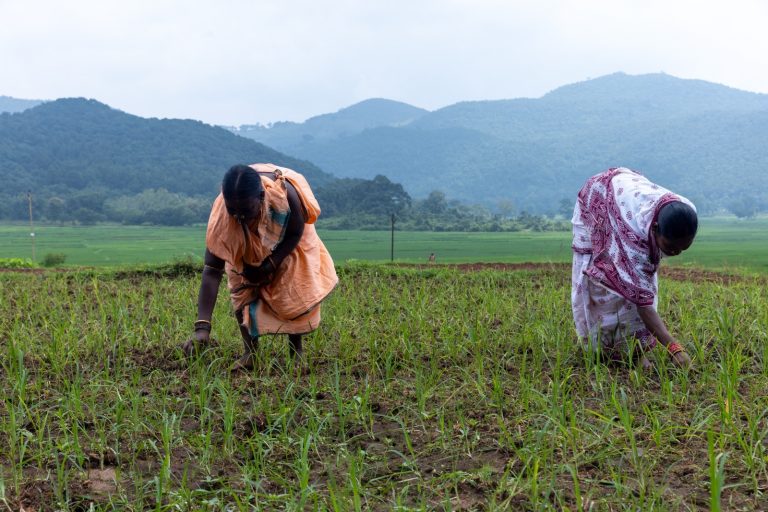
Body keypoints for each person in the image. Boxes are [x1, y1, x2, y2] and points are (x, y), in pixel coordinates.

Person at [183, 163, 338, 371]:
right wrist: (202, 328)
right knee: (239, 281)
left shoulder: (285, 196)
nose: (240, 218)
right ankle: (250, 353)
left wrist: (269, 265)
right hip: (249, 239)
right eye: (233, 211)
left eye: (247, 211)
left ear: (261, 196)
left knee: (291, 285)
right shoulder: (223, 219)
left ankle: (296, 352)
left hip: (288, 237)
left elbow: (295, 232)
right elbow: (212, 270)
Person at [571, 167, 697, 368]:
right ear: (655, 229)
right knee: (604, 287)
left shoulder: (684, 212)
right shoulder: (635, 244)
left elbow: (641, 288)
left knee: (634, 286)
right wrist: (675, 349)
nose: (675, 253)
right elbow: (642, 303)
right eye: (670, 247)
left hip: (625, 200)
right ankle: (603, 349)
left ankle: (634, 350)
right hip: (598, 199)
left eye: (683, 248)